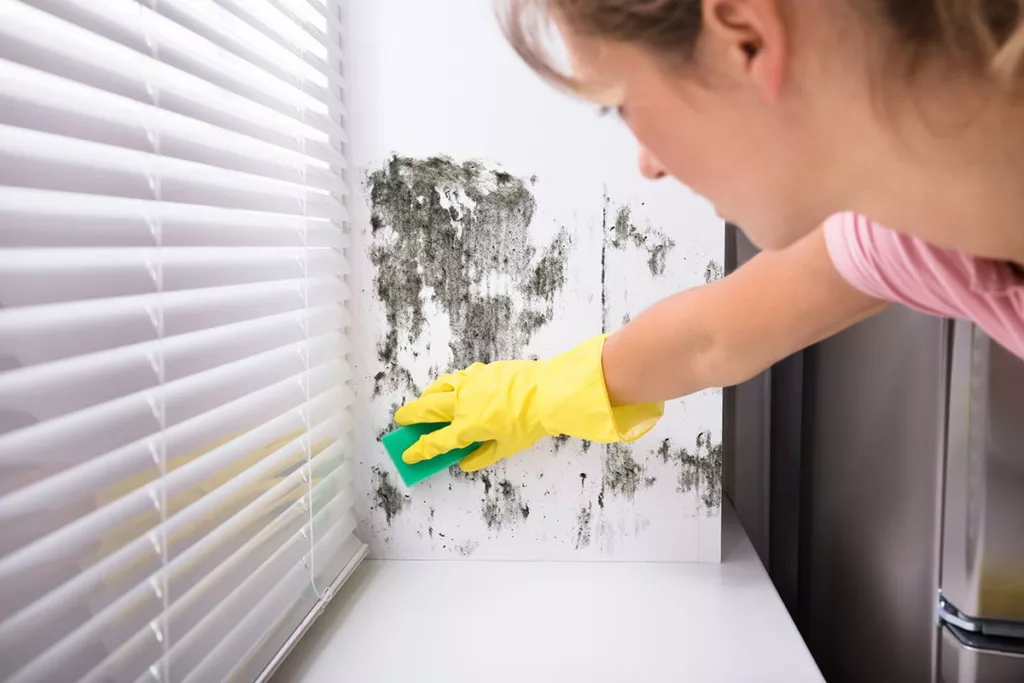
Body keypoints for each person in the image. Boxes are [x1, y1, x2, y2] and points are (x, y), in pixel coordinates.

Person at [396, 0, 1024, 472]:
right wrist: (531, 398)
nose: (648, 162)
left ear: (745, 39)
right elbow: (711, 337)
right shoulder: (915, 236)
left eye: (622, 103)